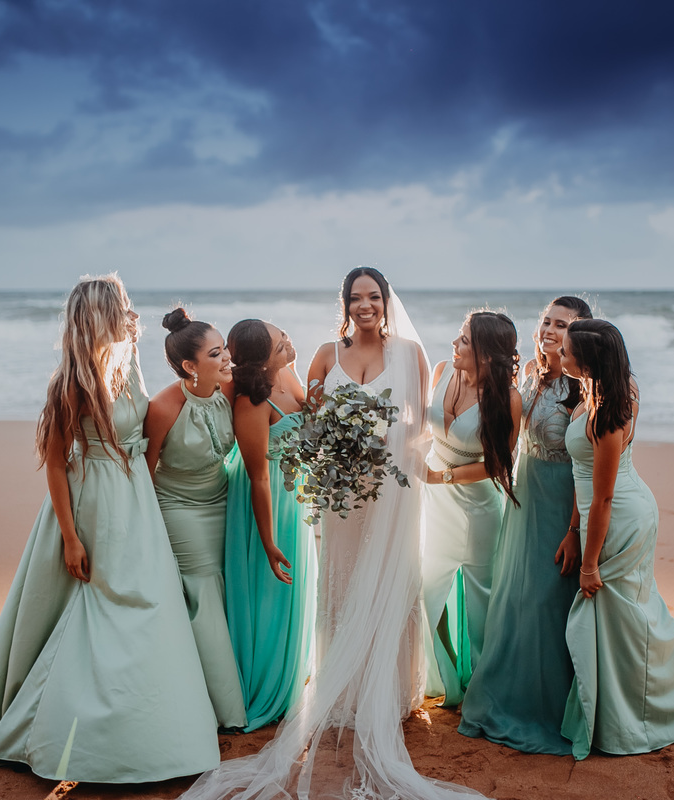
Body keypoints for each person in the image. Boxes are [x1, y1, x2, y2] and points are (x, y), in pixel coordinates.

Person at [182, 267, 483, 800]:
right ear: (344, 302)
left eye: (373, 296)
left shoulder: (411, 354)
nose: (364, 305)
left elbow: (414, 431)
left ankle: (391, 693)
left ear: (385, 301)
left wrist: (401, 457)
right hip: (343, 495)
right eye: (355, 297)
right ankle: (342, 690)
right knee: (342, 581)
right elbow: (310, 418)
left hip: (392, 493)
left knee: (393, 577)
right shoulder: (324, 354)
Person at [0, 274, 220, 782]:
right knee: (104, 606)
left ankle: (157, 733)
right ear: (98, 316)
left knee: (151, 602)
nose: (131, 315)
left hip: (135, 498)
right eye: (121, 307)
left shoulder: (127, 362)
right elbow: (54, 464)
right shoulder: (71, 384)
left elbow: (149, 421)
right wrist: (72, 537)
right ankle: (75, 732)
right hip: (94, 502)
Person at [557, 318, 674, 759]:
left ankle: (669, 708)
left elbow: (605, 496)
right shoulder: (599, 389)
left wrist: (590, 562)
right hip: (605, 512)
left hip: (619, 518)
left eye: (567, 350)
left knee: (630, 617)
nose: (560, 354)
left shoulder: (609, 411)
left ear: (587, 359)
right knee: (623, 617)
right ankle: (620, 711)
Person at [458, 296, 593, 753]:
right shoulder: (531, 375)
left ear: (579, 335)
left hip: (562, 503)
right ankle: (505, 698)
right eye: (546, 322)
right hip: (524, 497)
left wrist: (574, 531)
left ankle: (549, 709)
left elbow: (585, 467)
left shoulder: (581, 388)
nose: (550, 331)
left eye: (562, 326)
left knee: (546, 600)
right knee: (513, 596)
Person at [144, 309, 245, 730]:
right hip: (178, 506)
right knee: (203, 589)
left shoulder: (231, 389)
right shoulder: (164, 406)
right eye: (218, 353)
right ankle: (226, 710)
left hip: (223, 499)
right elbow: (144, 473)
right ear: (190, 366)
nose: (227, 360)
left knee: (230, 587)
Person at [420, 310, 522, 708]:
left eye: (463, 339)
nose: (454, 344)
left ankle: (484, 685)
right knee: (426, 592)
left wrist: (440, 478)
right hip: (432, 504)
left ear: (487, 354)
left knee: (481, 603)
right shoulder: (443, 369)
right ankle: (445, 679)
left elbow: (498, 465)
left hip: (476, 511)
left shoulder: (507, 399)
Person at [222, 318, 316, 732]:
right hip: (267, 501)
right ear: (263, 359)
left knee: (296, 593)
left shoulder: (290, 376)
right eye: (281, 342)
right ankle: (263, 687)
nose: (288, 341)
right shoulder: (251, 402)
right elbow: (257, 474)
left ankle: (291, 679)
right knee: (267, 594)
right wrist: (267, 539)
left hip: (296, 496)